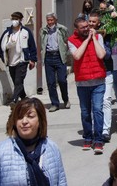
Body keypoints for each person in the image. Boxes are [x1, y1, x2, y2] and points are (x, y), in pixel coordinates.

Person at [0, 98, 67, 185]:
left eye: (30, 116)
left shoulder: (52, 148)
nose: (24, 121)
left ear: (40, 120)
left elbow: (61, 182)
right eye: (19, 117)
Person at [68, 17, 106, 154]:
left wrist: (94, 39)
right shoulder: (71, 40)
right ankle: (88, 137)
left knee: (97, 110)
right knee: (85, 112)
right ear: (76, 29)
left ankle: (98, 140)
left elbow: (101, 54)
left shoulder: (98, 37)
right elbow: (77, 56)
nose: (86, 29)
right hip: (82, 82)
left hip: (98, 82)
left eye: (87, 26)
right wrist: (86, 40)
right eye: (83, 27)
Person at [0, 11, 37, 107]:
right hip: (11, 62)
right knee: (17, 82)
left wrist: (33, 60)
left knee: (18, 81)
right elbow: (0, 49)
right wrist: (8, 46)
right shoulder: (7, 34)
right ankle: (24, 99)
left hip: (22, 61)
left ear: (20, 20)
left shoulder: (26, 32)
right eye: (13, 19)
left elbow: (32, 46)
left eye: (16, 19)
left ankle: (14, 101)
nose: (14, 21)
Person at [88, 12, 113, 142]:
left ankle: (105, 130)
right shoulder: (84, 35)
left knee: (106, 101)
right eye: (90, 21)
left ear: (99, 23)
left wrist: (98, 41)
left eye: (94, 22)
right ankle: (95, 128)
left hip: (106, 71)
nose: (91, 24)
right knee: (94, 104)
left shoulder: (105, 35)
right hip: (92, 74)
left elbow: (107, 54)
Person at [40, 12, 70, 112]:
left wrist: (67, 53)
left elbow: (67, 41)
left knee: (62, 80)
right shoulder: (43, 31)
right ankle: (54, 103)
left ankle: (65, 100)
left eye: (51, 20)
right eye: (48, 20)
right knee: (51, 82)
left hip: (59, 56)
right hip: (48, 57)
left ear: (55, 20)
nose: (50, 22)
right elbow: (42, 43)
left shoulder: (62, 29)